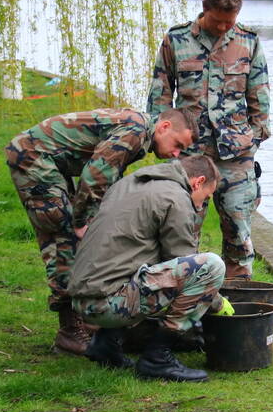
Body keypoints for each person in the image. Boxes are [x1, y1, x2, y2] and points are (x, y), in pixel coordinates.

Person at [5, 107, 196, 356]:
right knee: (64, 241)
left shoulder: (138, 129)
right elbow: (95, 175)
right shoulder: (136, 130)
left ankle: (89, 319)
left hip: (49, 160)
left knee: (72, 237)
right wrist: (82, 221)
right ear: (165, 127)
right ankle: (70, 331)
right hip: (33, 158)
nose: (176, 154)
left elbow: (109, 175)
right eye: (177, 145)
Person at [147, 0, 270, 280]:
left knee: (239, 234)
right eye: (218, 21)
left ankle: (237, 304)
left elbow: (260, 97)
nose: (224, 27)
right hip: (189, 155)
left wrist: (253, 139)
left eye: (230, 21)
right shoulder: (176, 40)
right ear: (204, 10)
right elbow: (160, 94)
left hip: (236, 156)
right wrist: (163, 143)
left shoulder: (248, 41)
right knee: (182, 232)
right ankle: (183, 304)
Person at [68, 156, 228, 383]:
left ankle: (105, 345)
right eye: (206, 197)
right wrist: (218, 303)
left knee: (142, 260)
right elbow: (183, 261)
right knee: (211, 266)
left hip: (81, 300)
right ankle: (158, 358)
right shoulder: (176, 198)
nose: (201, 205)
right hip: (107, 304)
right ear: (198, 182)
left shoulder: (131, 183)